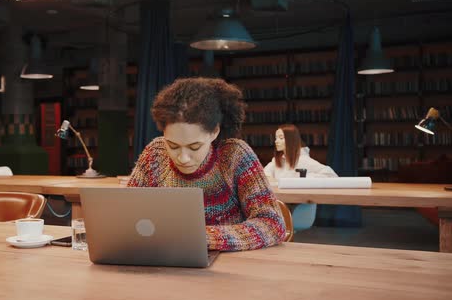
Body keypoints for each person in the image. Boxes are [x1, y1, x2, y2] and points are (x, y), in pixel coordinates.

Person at [127, 77, 286, 251]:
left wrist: (203, 237)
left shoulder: (234, 156)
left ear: (214, 132)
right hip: (162, 261)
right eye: (172, 145)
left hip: (229, 268)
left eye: (194, 147)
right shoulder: (155, 155)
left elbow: (272, 223)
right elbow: (125, 216)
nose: (183, 157)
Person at [264, 124, 337, 231]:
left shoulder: (303, 160)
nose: (276, 141)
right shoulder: (277, 161)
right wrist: (274, 181)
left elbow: (331, 175)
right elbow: (262, 175)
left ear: (291, 140)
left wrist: (304, 179)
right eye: (275, 138)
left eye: (281, 138)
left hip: (296, 207)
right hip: (279, 205)